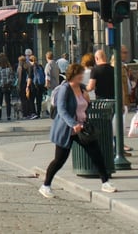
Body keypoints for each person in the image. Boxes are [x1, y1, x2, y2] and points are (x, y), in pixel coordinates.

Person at [39, 63, 117, 198]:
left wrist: (88, 101)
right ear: (73, 75)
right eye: (80, 74)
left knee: (96, 154)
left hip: (82, 129)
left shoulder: (81, 88)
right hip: (67, 130)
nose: (82, 76)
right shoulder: (65, 89)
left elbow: (83, 105)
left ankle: (105, 183)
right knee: (59, 160)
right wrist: (73, 123)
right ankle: (45, 185)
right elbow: (62, 110)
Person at [0, 54, 16, 121]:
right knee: (8, 102)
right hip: (7, 86)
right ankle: (8, 116)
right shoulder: (9, 69)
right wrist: (8, 82)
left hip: (0, 87)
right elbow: (12, 78)